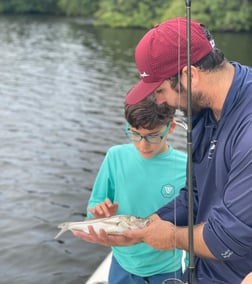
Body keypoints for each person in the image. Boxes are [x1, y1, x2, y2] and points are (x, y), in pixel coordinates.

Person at [74, 17, 252, 283]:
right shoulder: (202, 111)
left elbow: (229, 237)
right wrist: (143, 226)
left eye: (160, 90)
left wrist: (168, 237)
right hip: (202, 272)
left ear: (189, 75)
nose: (159, 101)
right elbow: (193, 195)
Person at [78, 93, 187, 283]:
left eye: (152, 136)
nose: (143, 145)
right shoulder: (115, 157)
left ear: (171, 128)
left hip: (166, 271)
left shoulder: (186, 167)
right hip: (121, 266)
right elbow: (93, 208)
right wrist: (100, 215)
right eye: (135, 133)